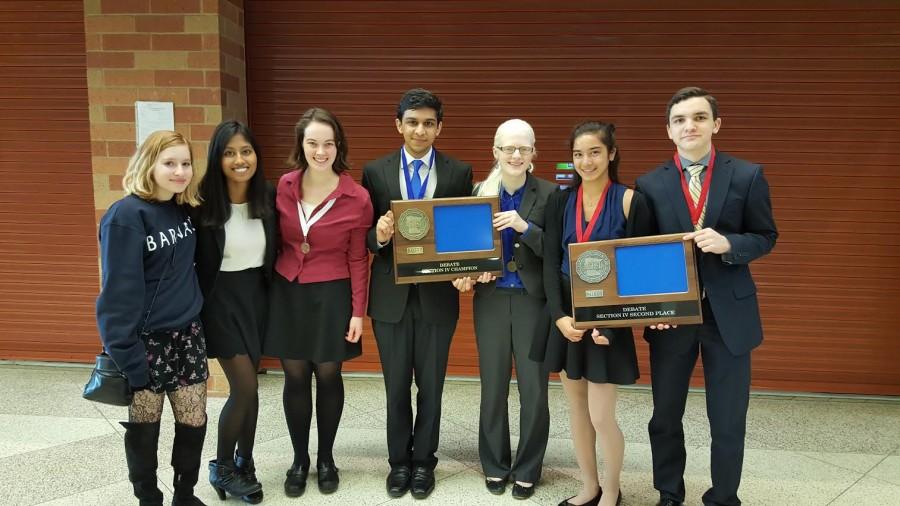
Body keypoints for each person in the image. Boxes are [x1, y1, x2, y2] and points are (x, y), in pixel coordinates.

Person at [635, 87, 777, 506]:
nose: (689, 126)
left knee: (729, 419)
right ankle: (668, 492)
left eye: (698, 118)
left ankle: (724, 496)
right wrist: (652, 307)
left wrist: (731, 244)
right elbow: (641, 255)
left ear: (715, 124)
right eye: (680, 120)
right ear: (669, 131)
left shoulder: (748, 175)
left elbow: (766, 236)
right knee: (664, 416)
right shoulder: (650, 183)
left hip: (728, 317)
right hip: (674, 317)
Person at [361, 88, 473, 499]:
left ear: (439, 127)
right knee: (395, 388)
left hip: (437, 299)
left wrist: (466, 273)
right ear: (399, 125)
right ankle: (398, 463)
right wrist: (380, 234)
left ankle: (424, 462)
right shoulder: (376, 172)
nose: (420, 130)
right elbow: (365, 239)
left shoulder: (459, 172)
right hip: (391, 298)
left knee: (431, 386)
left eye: (428, 123)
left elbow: (463, 236)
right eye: (412, 122)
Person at [264, 107, 373, 498]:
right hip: (288, 291)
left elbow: (359, 257)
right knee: (295, 378)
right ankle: (299, 459)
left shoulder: (357, 197)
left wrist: (358, 311)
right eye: (312, 142)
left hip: (332, 295)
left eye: (328, 143)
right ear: (302, 145)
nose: (320, 150)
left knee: (328, 377)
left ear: (338, 146)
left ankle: (326, 458)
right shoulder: (284, 186)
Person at [96, 130, 208, 506]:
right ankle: (148, 498)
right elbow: (116, 293)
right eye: (169, 163)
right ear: (149, 164)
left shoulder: (183, 209)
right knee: (145, 426)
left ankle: (185, 496)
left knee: (193, 420)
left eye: (185, 163)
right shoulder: (125, 217)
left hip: (187, 334)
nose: (179, 171)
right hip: (146, 342)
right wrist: (127, 354)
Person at [541, 121, 648, 506]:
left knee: (601, 416)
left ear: (612, 154)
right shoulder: (560, 200)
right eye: (578, 154)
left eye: (595, 152)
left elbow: (639, 272)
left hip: (609, 321)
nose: (586, 161)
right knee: (578, 412)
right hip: (569, 317)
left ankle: (613, 489)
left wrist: (614, 325)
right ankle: (589, 486)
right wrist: (558, 317)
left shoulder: (630, 200)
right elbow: (550, 262)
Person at [451, 119, 556, 500]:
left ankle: (528, 468)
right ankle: (494, 465)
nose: (515, 155)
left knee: (534, 390)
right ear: (494, 151)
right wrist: (462, 275)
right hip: (491, 300)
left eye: (523, 149)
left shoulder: (550, 194)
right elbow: (463, 250)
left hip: (533, 301)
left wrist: (525, 227)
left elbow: (556, 251)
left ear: (533, 154)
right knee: (492, 386)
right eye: (508, 148)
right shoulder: (480, 191)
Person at [194, 120, 274, 503]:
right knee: (244, 387)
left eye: (246, 151)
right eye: (229, 153)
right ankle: (221, 466)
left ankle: (245, 462)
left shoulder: (268, 199)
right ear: (218, 158)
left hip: (256, 299)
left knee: (251, 391)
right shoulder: (203, 206)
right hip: (220, 303)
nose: (239, 160)